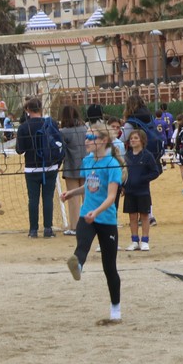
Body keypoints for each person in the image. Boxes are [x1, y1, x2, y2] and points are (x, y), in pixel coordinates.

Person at [63, 123, 124, 325]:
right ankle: (78, 265)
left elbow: (111, 196)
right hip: (86, 215)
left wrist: (96, 212)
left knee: (110, 267)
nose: (86, 141)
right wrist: (71, 193)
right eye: (86, 137)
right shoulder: (88, 161)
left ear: (103, 140)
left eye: (91, 138)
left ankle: (115, 307)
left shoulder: (112, 164)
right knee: (82, 245)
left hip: (105, 219)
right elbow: (89, 188)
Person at [15, 97, 60, 238]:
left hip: (31, 168)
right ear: (41, 109)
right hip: (50, 167)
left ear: (27, 110)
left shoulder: (23, 127)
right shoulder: (50, 123)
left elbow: (19, 150)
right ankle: (48, 229)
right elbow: (59, 143)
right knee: (48, 198)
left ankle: (33, 230)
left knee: (33, 199)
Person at [123, 129, 161, 251]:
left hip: (143, 191)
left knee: (145, 216)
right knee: (132, 217)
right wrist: (123, 185)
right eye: (131, 138)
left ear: (142, 140)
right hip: (130, 191)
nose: (132, 140)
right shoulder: (127, 156)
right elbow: (123, 173)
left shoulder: (147, 155)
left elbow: (155, 172)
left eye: (136, 138)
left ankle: (145, 240)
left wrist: (142, 179)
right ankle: (134, 240)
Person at [58, 104, 88, 236]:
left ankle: (75, 227)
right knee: (88, 197)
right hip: (87, 166)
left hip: (71, 167)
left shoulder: (63, 132)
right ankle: (90, 224)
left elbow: (61, 151)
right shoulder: (85, 128)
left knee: (73, 198)